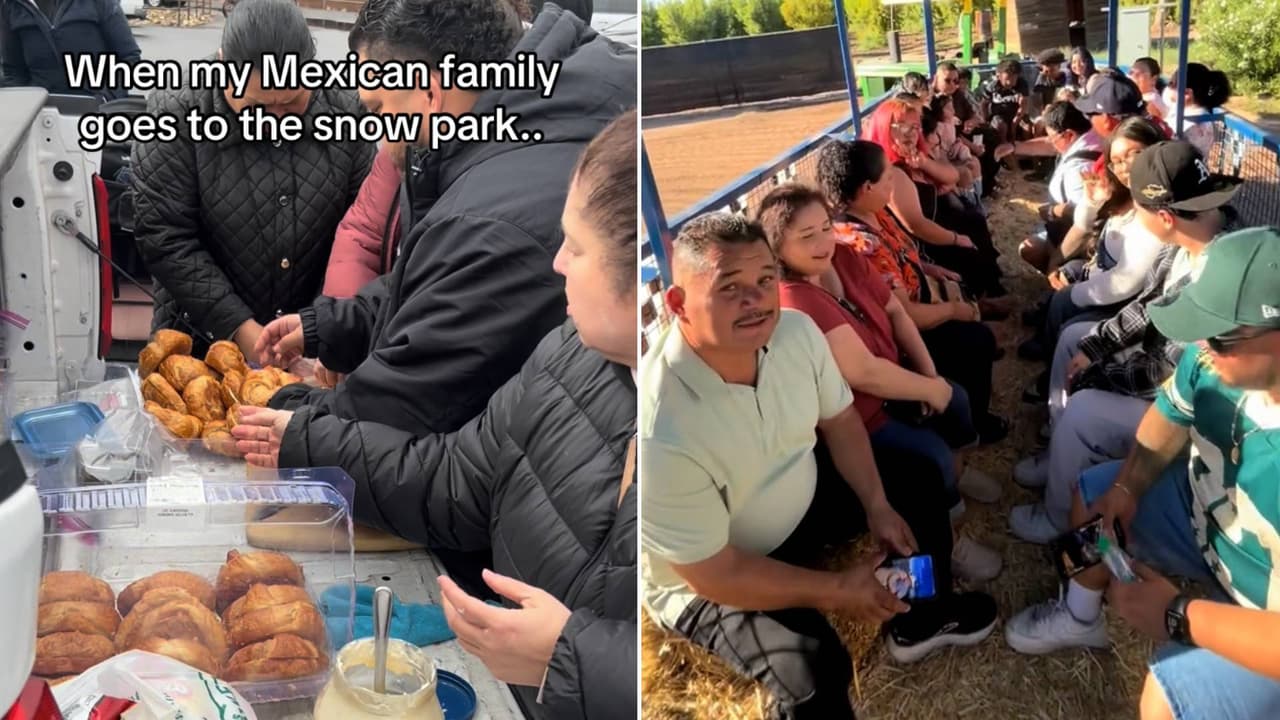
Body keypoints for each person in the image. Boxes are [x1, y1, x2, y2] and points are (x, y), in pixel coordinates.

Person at [233, 111, 638, 720]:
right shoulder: (567, 354)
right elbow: (456, 480)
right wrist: (307, 440)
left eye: (576, 247)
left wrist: (573, 658)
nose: (555, 265)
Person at [640, 211, 999, 720]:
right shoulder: (661, 428)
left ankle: (924, 618)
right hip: (716, 568)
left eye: (765, 280)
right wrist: (837, 589)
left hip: (801, 500)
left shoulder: (796, 331)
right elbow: (714, 573)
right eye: (730, 288)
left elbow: (841, 422)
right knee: (812, 667)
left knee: (914, 479)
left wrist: (876, 505)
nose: (755, 301)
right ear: (677, 304)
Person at [254, 0, 634, 438]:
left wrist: (278, 406)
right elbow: (436, 286)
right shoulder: (554, 106)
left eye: (379, 109)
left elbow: (397, 410)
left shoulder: (492, 221)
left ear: (429, 92)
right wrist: (331, 325)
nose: (376, 131)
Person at [1006, 225, 1280, 720]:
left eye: (1220, 333)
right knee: (1094, 497)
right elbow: (1170, 415)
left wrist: (1179, 616)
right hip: (1206, 516)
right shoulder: (1212, 358)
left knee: (1168, 698)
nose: (1200, 345)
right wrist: (1128, 486)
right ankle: (1080, 617)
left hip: (1267, 604)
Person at [757, 182, 1004, 581]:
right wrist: (927, 389)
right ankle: (949, 527)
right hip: (861, 418)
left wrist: (929, 376)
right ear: (776, 246)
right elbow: (863, 373)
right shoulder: (795, 300)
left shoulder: (846, 258)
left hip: (893, 382)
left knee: (954, 398)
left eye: (825, 227)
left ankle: (955, 477)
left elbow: (895, 312)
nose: (823, 241)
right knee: (929, 460)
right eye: (806, 236)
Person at [1010, 141, 1242, 542]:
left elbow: (1167, 373)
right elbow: (1149, 303)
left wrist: (1101, 373)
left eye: (1141, 209)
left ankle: (1057, 516)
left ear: (1165, 216)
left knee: (1084, 407)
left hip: (1188, 411)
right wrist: (1096, 346)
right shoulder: (1192, 238)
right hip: (1159, 366)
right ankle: (1061, 454)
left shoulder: (1218, 278)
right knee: (1073, 340)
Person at [132, 0, 374, 359]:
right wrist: (244, 331)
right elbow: (165, 236)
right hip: (200, 341)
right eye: (258, 107)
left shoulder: (347, 109)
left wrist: (322, 327)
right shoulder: (177, 110)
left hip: (312, 344)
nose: (276, 117)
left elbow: (361, 231)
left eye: (292, 103)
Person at [818, 139, 1009, 444]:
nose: (894, 183)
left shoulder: (874, 213)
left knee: (965, 275)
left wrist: (931, 270)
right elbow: (908, 316)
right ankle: (975, 423)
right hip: (901, 338)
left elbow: (906, 257)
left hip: (920, 301)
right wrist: (952, 310)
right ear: (867, 188)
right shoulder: (862, 245)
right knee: (977, 341)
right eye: (888, 178)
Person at [1020, 118, 1168, 362]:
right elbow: (1082, 226)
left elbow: (1126, 282)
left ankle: (1051, 354)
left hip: (1128, 301)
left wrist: (1074, 293)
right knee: (1067, 274)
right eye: (1117, 160)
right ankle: (1049, 330)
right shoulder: (1123, 194)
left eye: (1135, 154)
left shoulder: (1153, 210)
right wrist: (1092, 202)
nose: (1125, 167)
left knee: (1066, 306)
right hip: (1101, 273)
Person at [863, 98, 1006, 300]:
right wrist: (956, 239)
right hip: (919, 245)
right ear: (885, 128)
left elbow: (952, 175)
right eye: (902, 127)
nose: (911, 133)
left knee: (974, 220)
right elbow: (916, 226)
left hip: (936, 221)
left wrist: (924, 165)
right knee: (967, 245)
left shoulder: (913, 156)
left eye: (915, 127)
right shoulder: (891, 172)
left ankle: (987, 289)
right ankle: (977, 301)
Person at [1017, 101, 1104, 273]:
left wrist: (1053, 211)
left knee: (1029, 249)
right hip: (1078, 232)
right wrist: (1015, 147)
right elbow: (1049, 145)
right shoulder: (1094, 137)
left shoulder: (1079, 169)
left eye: (1052, 138)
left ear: (1069, 135)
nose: (1050, 142)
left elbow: (1085, 217)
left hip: (1078, 239)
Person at [0, 0, 140, 101]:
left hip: (97, 112)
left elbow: (129, 57)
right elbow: (14, 71)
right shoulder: (13, 7)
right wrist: (24, 105)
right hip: (41, 114)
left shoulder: (100, 3)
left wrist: (109, 96)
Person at [1165, 62, 1232, 156]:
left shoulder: (1192, 125)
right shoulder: (1200, 115)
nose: (1167, 87)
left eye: (1171, 84)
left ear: (1187, 93)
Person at [980, 58, 1029, 146]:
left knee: (1027, 127)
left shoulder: (1022, 84)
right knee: (1001, 125)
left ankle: (1029, 154)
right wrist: (986, 119)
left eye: (1014, 77)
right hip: (999, 115)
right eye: (1007, 78)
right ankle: (1004, 147)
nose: (1010, 82)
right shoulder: (992, 87)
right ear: (999, 76)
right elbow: (984, 104)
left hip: (1016, 114)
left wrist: (1014, 123)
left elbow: (1023, 106)